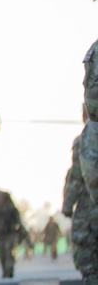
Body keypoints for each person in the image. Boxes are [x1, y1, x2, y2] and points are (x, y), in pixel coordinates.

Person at [64, 107, 98, 285]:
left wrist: (67, 205)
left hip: (89, 206)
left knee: (88, 259)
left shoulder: (84, 140)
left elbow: (76, 177)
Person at [0, 189, 24, 278]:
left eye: (2, 198)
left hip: (10, 233)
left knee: (9, 251)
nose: (1, 200)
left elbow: (17, 219)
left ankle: (9, 269)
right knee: (2, 253)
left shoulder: (11, 208)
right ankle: (4, 270)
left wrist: (18, 227)